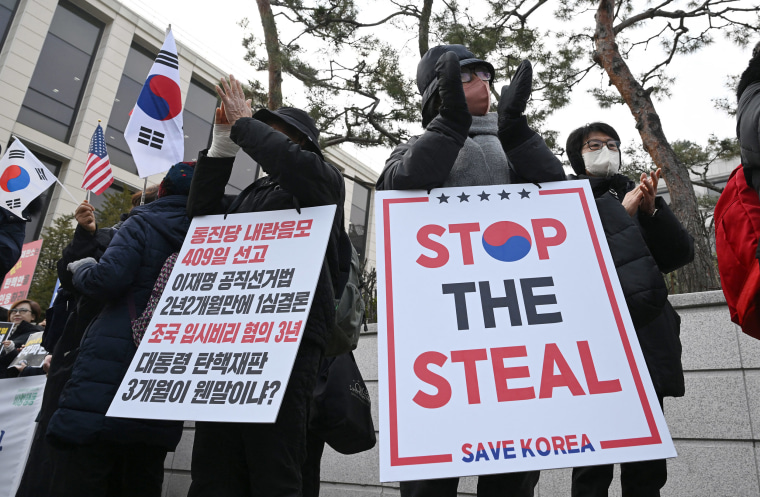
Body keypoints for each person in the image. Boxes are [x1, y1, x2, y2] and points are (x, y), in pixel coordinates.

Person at [376, 44, 562, 497]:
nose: (481, 81)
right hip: (440, 351)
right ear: (438, 92)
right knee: (429, 482)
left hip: (514, 347)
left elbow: (559, 203)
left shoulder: (516, 145)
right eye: (465, 75)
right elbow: (399, 186)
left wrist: (516, 132)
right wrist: (450, 128)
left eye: (484, 71)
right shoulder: (411, 149)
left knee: (512, 481)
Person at [509, 121, 693, 496]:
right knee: (593, 465)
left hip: (646, 339)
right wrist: (618, 215)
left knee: (647, 462)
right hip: (593, 347)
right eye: (595, 144)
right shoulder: (563, 198)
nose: (606, 151)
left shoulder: (636, 191)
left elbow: (677, 256)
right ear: (578, 154)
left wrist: (653, 209)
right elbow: (567, 262)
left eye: (612, 144)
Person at [185, 75, 345, 497]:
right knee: (214, 467)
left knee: (273, 464)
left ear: (298, 142)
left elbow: (296, 167)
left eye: (268, 129)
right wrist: (222, 142)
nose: (255, 133)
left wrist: (242, 124)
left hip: (288, 340)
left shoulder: (322, 182)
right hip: (231, 335)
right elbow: (201, 217)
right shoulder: (253, 192)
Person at [44, 164, 194, 497]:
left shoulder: (140, 223)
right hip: (162, 376)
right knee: (142, 472)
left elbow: (105, 281)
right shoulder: (213, 234)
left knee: (87, 473)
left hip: (108, 370)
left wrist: (83, 267)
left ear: (163, 193)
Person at [15, 189, 156, 497]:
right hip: (80, 354)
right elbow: (70, 276)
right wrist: (84, 235)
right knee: (65, 460)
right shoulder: (105, 238)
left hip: (109, 362)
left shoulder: (166, 240)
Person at [0, 299, 43, 378]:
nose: (17, 314)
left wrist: (11, 350)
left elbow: (27, 363)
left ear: (33, 316)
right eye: (13, 311)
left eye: (23, 311)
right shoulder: (4, 333)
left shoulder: (37, 335)